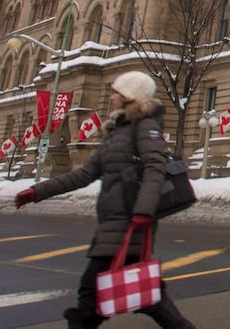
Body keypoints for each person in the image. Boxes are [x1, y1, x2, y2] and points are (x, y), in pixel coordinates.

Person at [13, 71, 195, 329]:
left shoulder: (145, 127)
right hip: (114, 225)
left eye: (116, 93)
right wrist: (38, 191)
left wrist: (143, 212)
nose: (111, 98)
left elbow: (156, 167)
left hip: (129, 225)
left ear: (130, 97)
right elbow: (84, 174)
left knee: (91, 297)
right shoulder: (117, 132)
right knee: (147, 299)